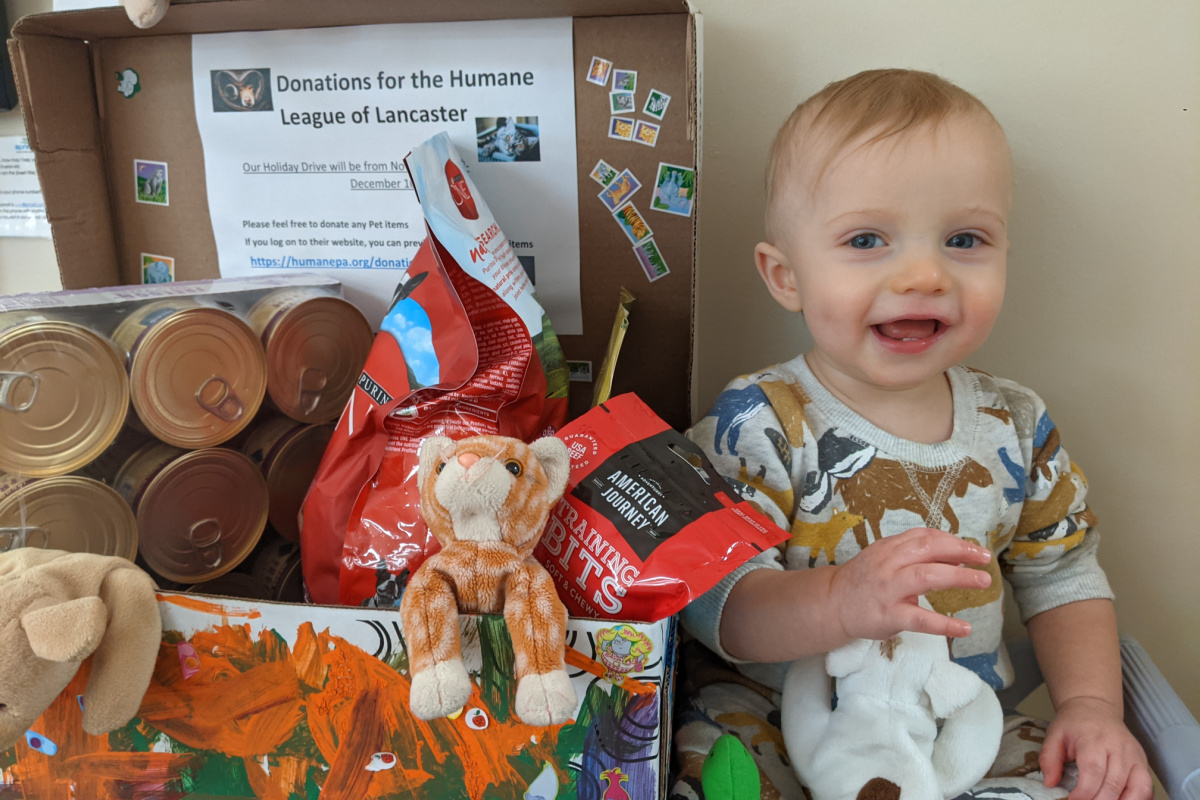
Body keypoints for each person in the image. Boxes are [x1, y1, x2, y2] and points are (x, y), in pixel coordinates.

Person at [671, 69, 1151, 800]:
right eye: (866, 239)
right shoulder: (760, 421)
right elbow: (715, 604)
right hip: (779, 722)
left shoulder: (1014, 424)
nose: (924, 273)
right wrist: (838, 601)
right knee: (714, 774)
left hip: (958, 724)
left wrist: (1090, 708)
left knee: (1105, 786)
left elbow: (1064, 575)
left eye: (964, 239)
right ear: (786, 275)